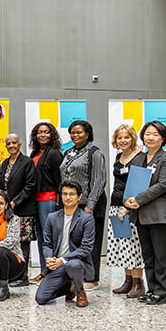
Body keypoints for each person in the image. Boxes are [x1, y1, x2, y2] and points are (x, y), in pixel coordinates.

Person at [124, 121, 166, 305]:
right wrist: (128, 201)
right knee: (148, 255)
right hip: (140, 214)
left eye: (155, 134)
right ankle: (152, 289)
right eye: (147, 134)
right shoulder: (139, 158)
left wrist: (138, 199)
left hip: (159, 215)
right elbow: (132, 183)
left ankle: (163, 293)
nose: (150, 137)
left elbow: (163, 185)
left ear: (163, 138)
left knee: (162, 255)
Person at [59, 120, 106, 290]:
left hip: (89, 204)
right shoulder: (69, 152)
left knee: (91, 243)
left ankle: (92, 278)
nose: (75, 135)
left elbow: (99, 180)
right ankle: (76, 275)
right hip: (72, 204)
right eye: (72, 132)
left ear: (87, 134)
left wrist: (90, 206)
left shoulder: (94, 152)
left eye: (79, 132)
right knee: (74, 241)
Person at [35, 181, 94, 307]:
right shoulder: (52, 217)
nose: (68, 197)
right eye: (65, 194)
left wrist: (62, 260)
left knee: (73, 265)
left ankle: (79, 290)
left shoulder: (86, 219)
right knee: (41, 298)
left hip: (77, 263)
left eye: (71, 194)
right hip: (57, 265)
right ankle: (69, 287)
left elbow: (86, 248)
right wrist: (49, 258)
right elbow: (47, 244)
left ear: (79, 197)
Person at [107, 125, 145, 297]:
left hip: (130, 208)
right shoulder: (118, 157)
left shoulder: (140, 157)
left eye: (126, 137)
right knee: (122, 244)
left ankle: (138, 284)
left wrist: (127, 207)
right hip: (116, 206)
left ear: (133, 139)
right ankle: (128, 281)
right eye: (120, 137)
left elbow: (140, 185)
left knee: (134, 245)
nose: (123, 140)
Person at [1, 134, 37, 287]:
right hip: (9, 211)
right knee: (11, 242)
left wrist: (15, 202)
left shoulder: (27, 162)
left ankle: (23, 277)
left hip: (23, 209)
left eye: (14, 143)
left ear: (20, 144)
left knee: (23, 244)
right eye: (8, 143)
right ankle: (13, 274)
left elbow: (31, 185)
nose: (11, 146)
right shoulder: (5, 163)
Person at [28, 122, 63, 283]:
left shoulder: (54, 154)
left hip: (48, 200)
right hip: (36, 200)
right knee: (41, 238)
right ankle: (44, 271)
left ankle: (52, 273)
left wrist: (58, 201)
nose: (42, 135)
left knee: (50, 238)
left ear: (51, 135)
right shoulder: (35, 153)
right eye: (39, 132)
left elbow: (59, 180)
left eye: (46, 132)